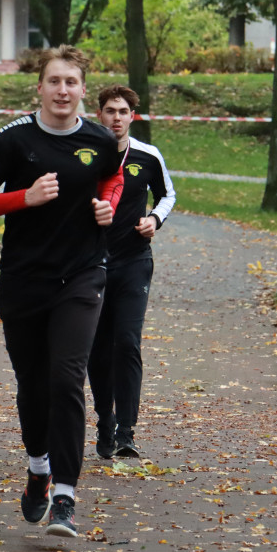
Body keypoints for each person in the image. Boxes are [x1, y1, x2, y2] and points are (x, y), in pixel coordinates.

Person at [0, 46, 123, 538]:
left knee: (67, 377)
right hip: (25, 280)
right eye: (54, 81)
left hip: (82, 275)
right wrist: (23, 198)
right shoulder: (14, 139)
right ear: (40, 88)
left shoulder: (101, 139)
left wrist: (108, 205)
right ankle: (38, 471)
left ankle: (67, 498)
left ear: (83, 90)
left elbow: (112, 176)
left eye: (71, 82)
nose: (63, 91)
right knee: (33, 385)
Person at [88, 85, 176, 459]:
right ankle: (104, 422)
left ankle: (126, 430)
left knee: (126, 342)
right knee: (96, 349)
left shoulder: (148, 155)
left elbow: (167, 194)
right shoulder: (85, 153)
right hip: (89, 264)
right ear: (100, 114)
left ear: (132, 116)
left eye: (123, 111)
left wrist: (154, 219)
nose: (117, 118)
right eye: (110, 111)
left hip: (134, 262)